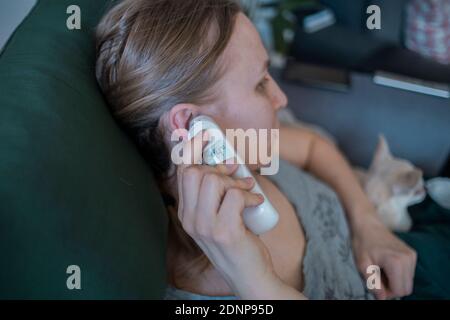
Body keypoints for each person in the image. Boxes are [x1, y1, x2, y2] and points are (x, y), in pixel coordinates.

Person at [95, 0, 416, 300]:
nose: (281, 98)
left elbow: (311, 147)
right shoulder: (192, 293)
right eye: (261, 83)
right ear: (190, 123)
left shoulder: (247, 148)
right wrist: (256, 281)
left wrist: (367, 224)